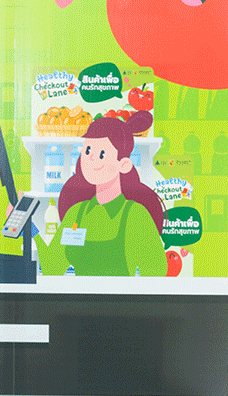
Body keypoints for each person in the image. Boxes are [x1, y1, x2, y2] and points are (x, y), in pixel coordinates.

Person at [34, 112, 167, 276]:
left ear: (124, 165)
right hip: (80, 294)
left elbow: (156, 273)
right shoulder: (76, 214)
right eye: (88, 150)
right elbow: (52, 267)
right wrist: (30, 230)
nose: (90, 159)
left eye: (101, 154)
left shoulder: (136, 215)